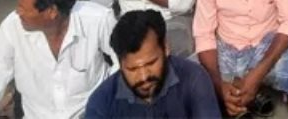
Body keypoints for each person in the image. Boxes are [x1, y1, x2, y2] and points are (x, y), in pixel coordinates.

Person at [0, 0, 116, 119]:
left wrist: (107, 101)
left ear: (52, 12)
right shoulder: (12, 27)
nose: (17, 12)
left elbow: (126, 64)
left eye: (23, 7)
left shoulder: (98, 20)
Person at [86, 9, 221, 118]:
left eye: (151, 63)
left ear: (166, 48)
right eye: (132, 69)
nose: (143, 76)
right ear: (120, 64)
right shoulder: (101, 104)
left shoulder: (194, 79)